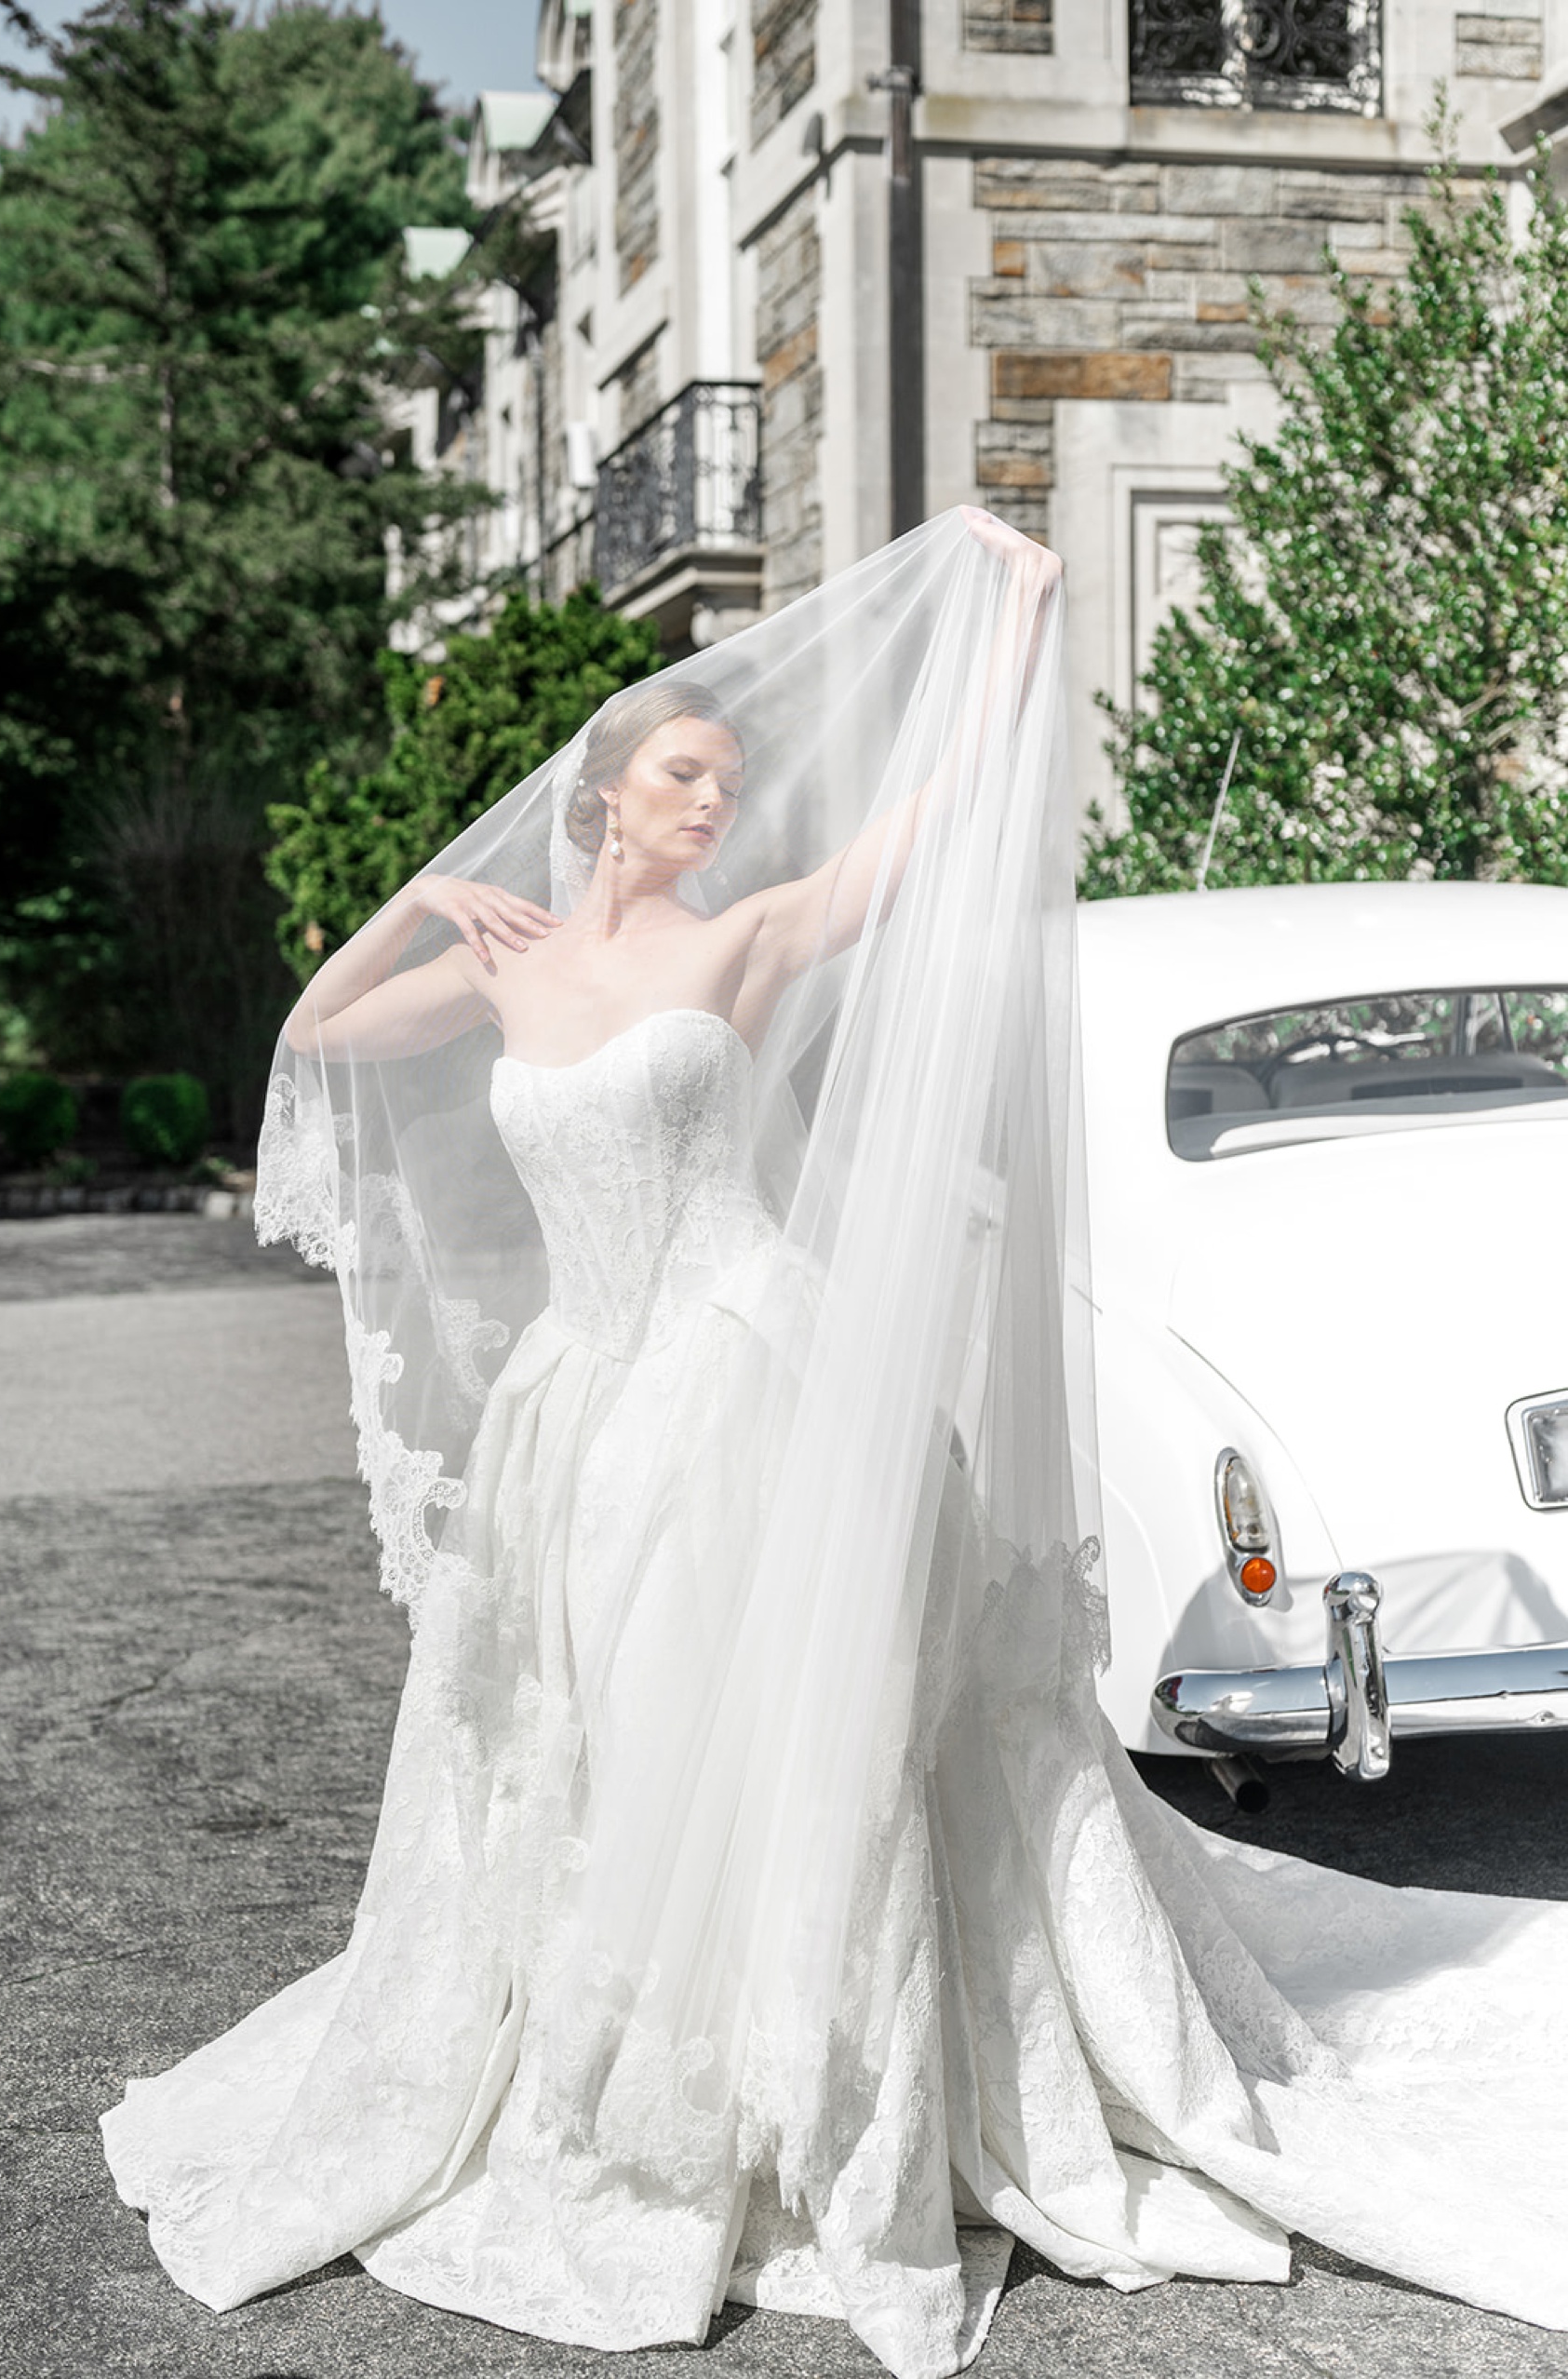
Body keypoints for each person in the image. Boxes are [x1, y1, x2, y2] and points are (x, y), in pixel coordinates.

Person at [102, 510, 1568, 2379]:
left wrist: (1018, 623)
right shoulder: (513, 962)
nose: (714, 802)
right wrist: (422, 901)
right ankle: (618, 2075)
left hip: (744, 1374)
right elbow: (322, 1029)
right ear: (604, 796)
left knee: (796, 1744)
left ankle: (798, 2098)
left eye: (726, 780)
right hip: (586, 1398)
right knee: (608, 1740)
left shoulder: (754, 939)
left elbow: (912, 844)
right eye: (683, 775)